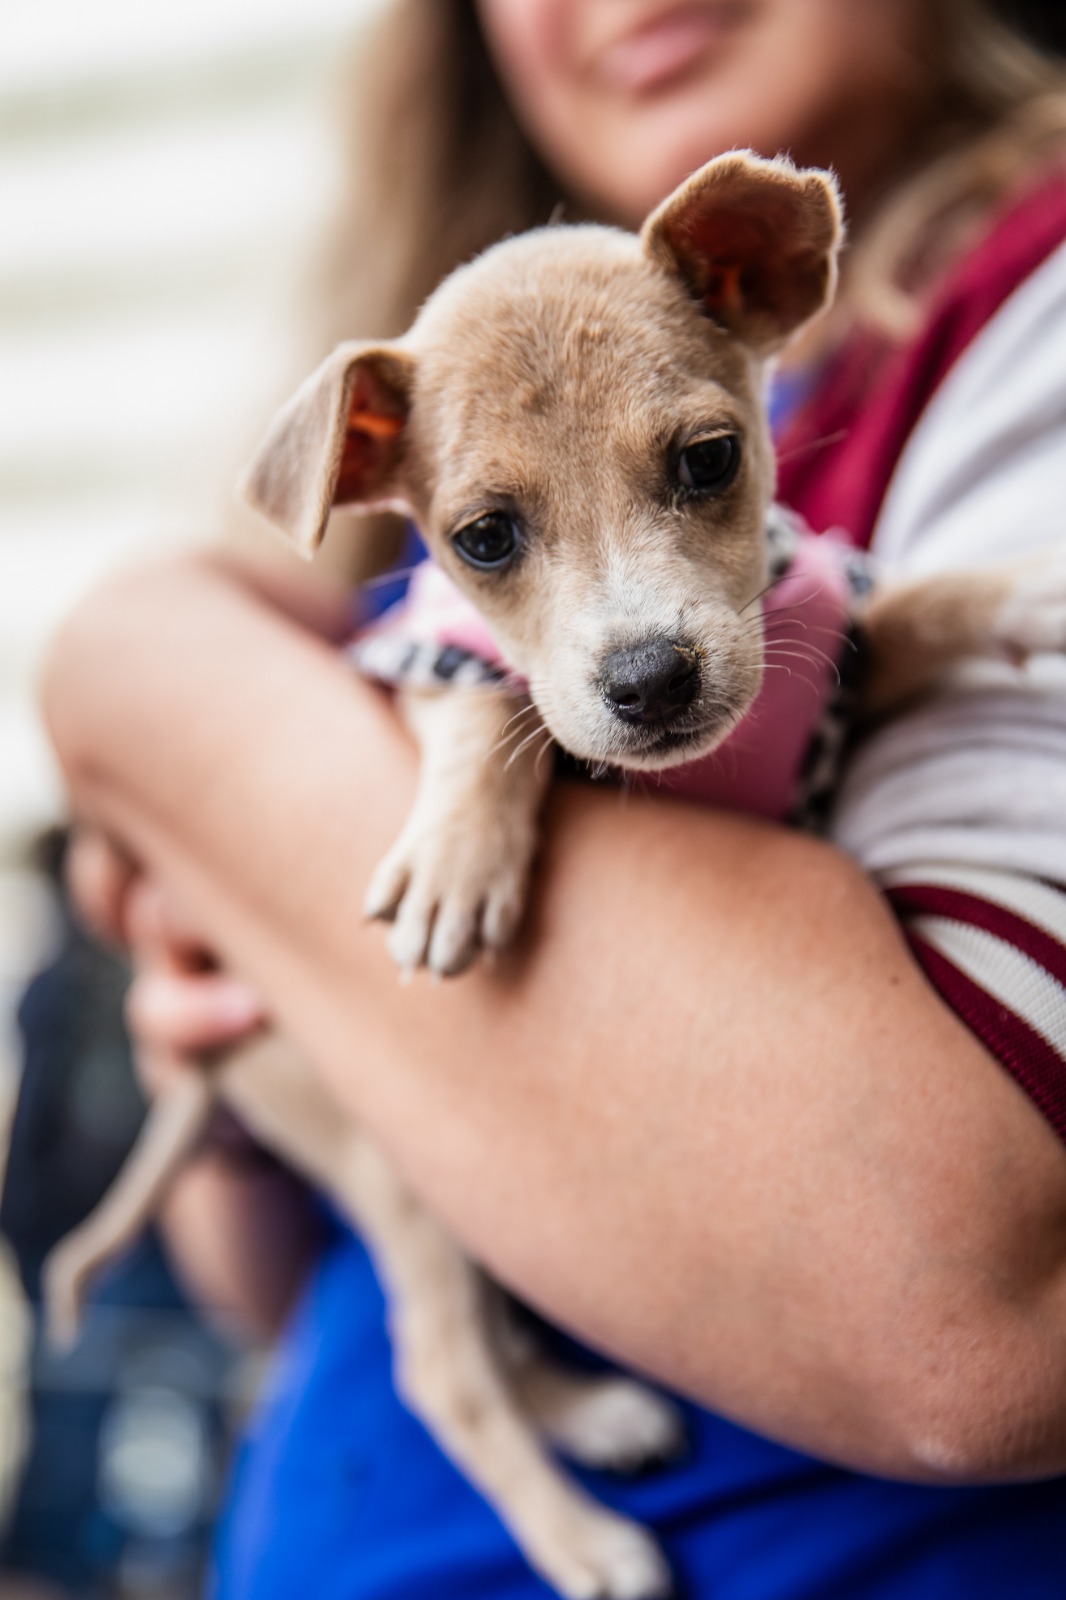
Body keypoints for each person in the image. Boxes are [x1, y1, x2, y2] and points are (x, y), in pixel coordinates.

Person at [45, 0, 1066, 1594]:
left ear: (758, 266)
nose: (634, 645)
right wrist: (250, 1050)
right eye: (493, 540)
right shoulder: (463, 427)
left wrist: (155, 684)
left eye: (697, 464)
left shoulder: (1016, 311)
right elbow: (279, 1283)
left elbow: (958, 1315)